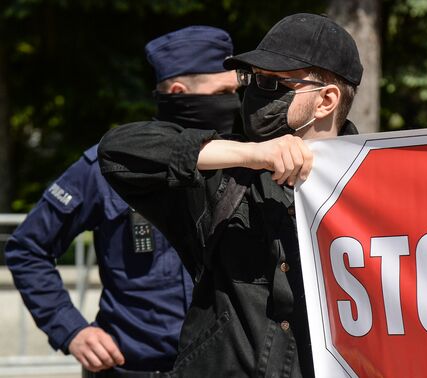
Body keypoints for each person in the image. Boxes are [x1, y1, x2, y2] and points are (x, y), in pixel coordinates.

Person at [98, 13, 362, 377]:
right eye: (253, 79)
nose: (254, 93)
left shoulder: (371, 187)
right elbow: (118, 151)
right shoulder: (227, 172)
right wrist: (254, 154)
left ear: (326, 100)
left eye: (273, 83)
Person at [5, 25, 240, 377]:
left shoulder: (241, 160)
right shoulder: (109, 165)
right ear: (180, 92)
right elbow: (28, 248)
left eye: (235, 92)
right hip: (131, 369)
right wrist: (72, 330)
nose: (234, 103)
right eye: (222, 91)